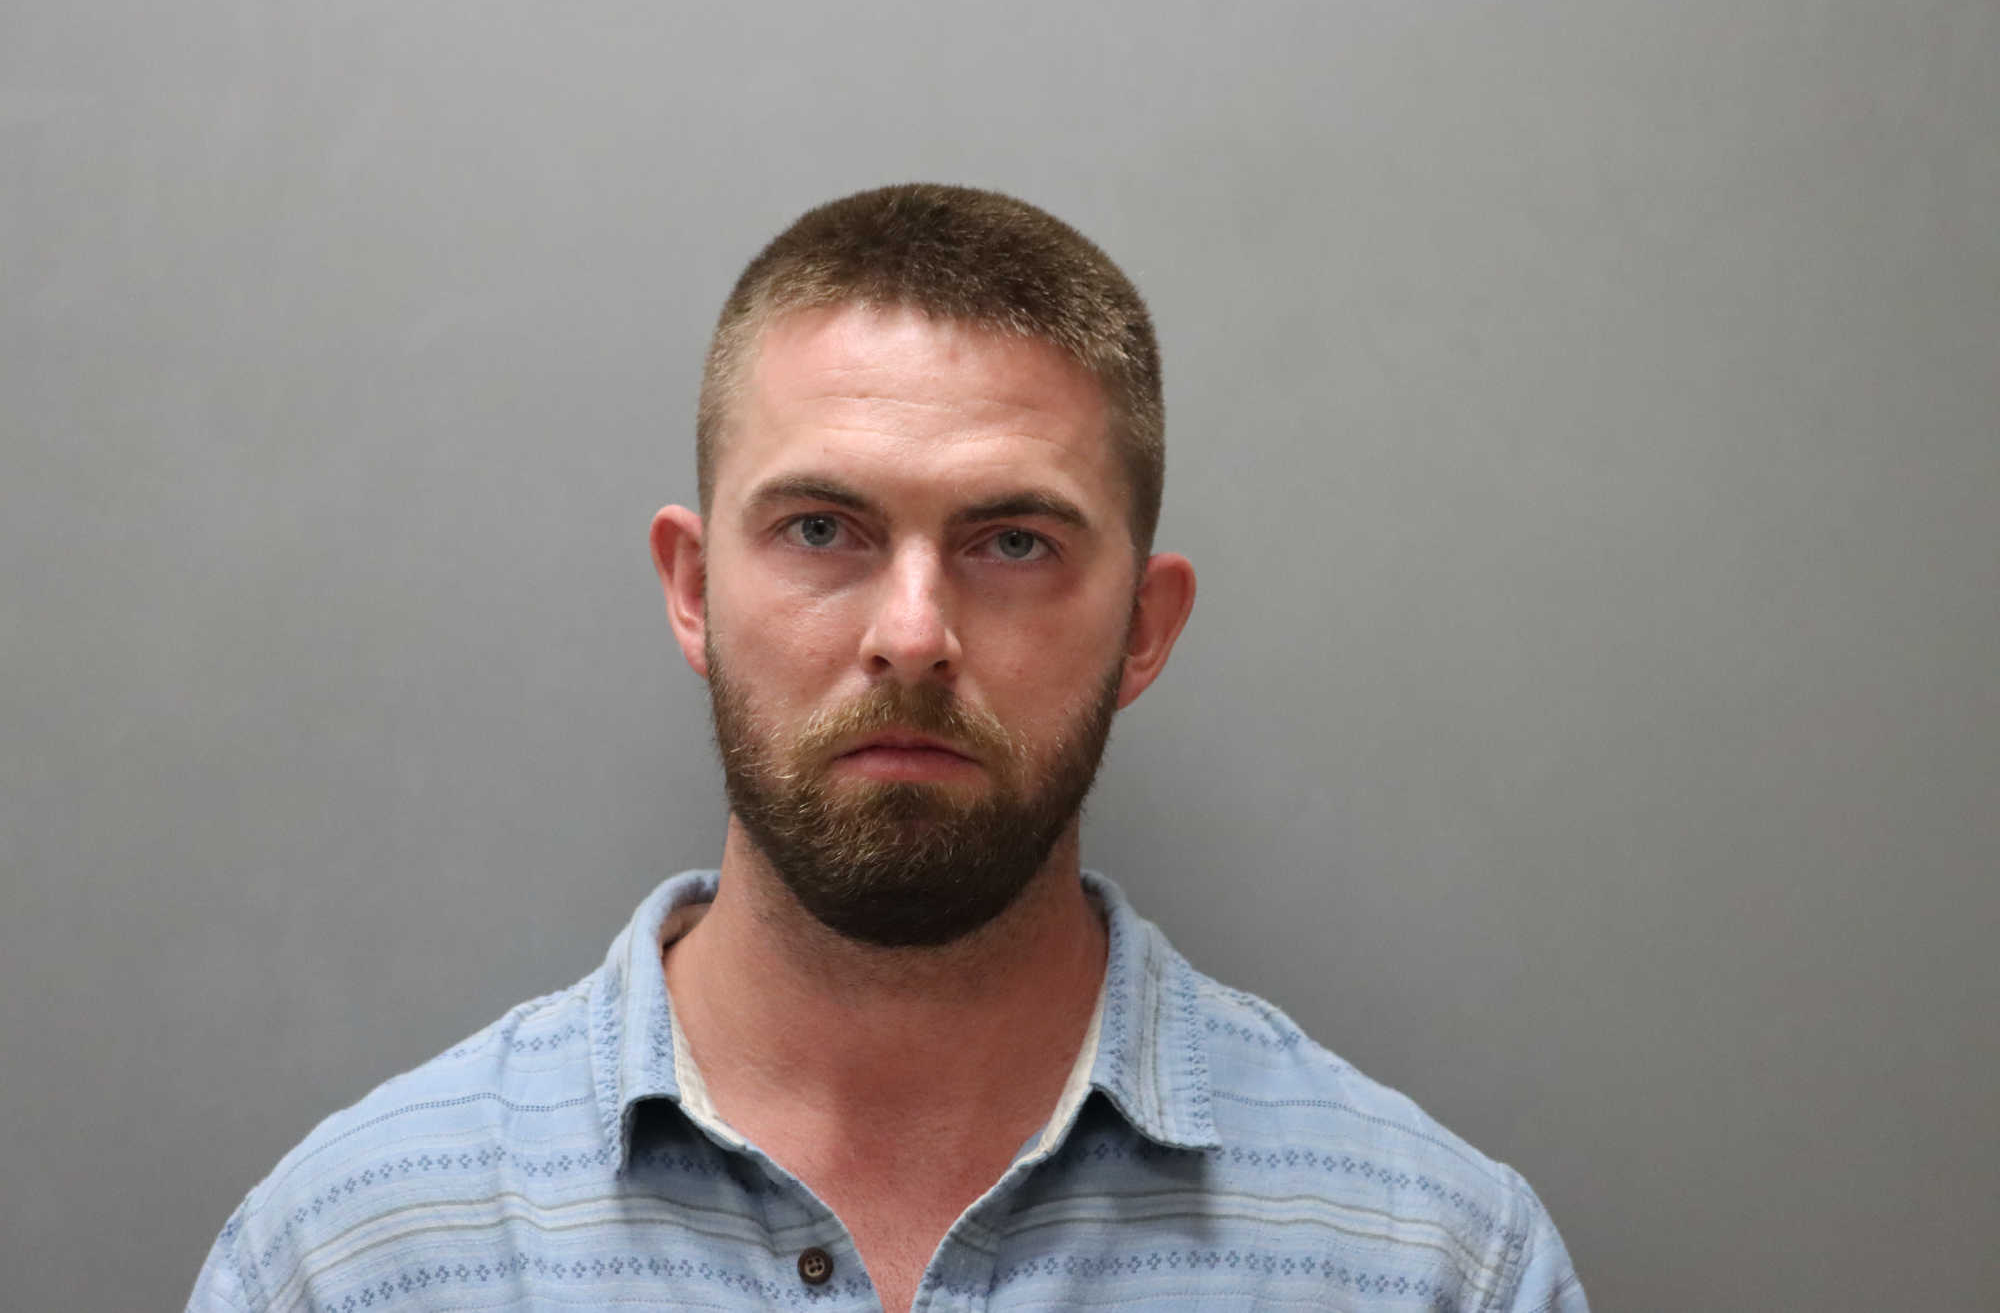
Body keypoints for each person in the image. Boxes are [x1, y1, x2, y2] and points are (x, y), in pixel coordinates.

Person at [188, 183, 1587, 1312]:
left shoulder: (1436, 1266)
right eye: (822, 529)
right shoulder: (351, 1261)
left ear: (1144, 628)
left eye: (1013, 542)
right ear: (694, 590)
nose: (913, 636)